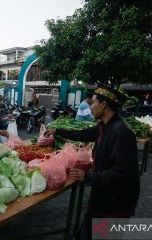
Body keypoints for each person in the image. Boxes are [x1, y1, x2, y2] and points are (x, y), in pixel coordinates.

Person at [44, 86, 140, 240]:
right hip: (104, 197)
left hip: (115, 203)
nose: (90, 106)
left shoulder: (121, 132)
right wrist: (58, 130)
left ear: (103, 105)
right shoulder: (105, 126)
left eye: (93, 102)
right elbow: (83, 134)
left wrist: (88, 177)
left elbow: (122, 173)